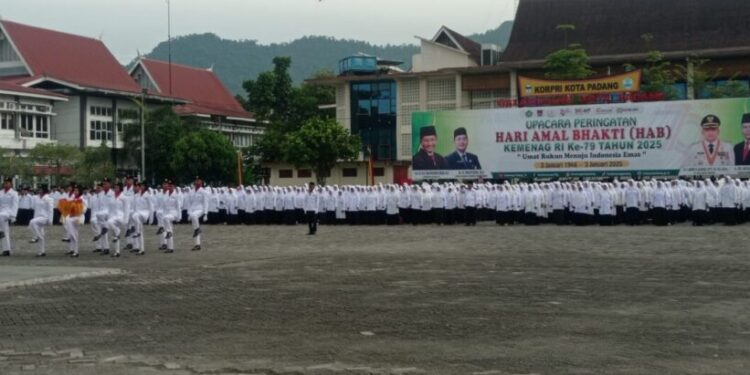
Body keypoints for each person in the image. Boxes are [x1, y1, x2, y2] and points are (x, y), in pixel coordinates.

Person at [185, 176, 209, 251]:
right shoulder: (191, 191)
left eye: (198, 180)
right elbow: (189, 203)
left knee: (195, 216)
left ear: (201, 182)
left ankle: (197, 229)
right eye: (196, 180)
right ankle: (197, 244)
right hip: (192, 210)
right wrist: (189, 213)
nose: (197, 182)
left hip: (200, 209)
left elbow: (206, 203)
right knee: (194, 227)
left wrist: (205, 214)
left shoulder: (204, 191)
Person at [28, 186, 53, 257]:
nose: (39, 191)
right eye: (39, 189)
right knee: (41, 234)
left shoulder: (49, 198)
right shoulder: (36, 198)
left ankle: (35, 237)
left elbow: (50, 210)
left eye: (41, 189)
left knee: (32, 222)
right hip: (37, 217)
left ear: (44, 190)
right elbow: (34, 207)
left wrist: (50, 220)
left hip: (45, 217)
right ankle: (42, 251)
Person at [0, 178, 18, 256]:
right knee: (5, 232)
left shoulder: (14, 193)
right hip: (1, 211)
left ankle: (0, 230)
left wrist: (13, 216)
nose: (6, 184)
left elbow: (15, 205)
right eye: (5, 183)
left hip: (8, 212)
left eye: (7, 183)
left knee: (3, 230)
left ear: (11, 184)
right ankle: (6, 250)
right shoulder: (0, 192)